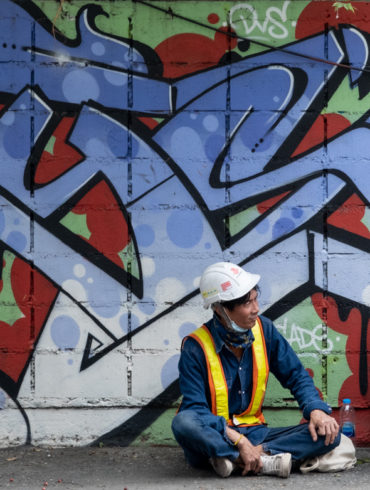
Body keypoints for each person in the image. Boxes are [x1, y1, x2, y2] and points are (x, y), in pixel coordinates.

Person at [172, 262, 342, 478]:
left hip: (257, 434)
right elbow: (195, 410)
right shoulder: (195, 347)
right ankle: (249, 457)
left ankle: (243, 459)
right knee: (183, 422)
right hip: (216, 436)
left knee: (330, 433)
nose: (256, 309)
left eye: (255, 299)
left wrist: (316, 410)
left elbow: (296, 376)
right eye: (247, 303)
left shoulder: (265, 330)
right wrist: (238, 440)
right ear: (220, 308)